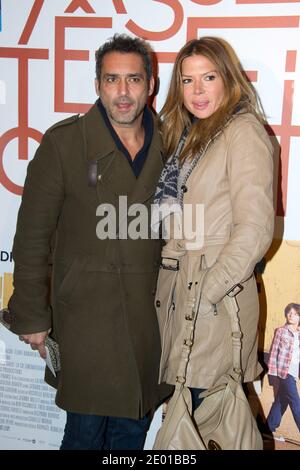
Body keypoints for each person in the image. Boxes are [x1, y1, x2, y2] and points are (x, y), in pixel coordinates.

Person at [8, 33, 171, 450]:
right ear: (97, 84)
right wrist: (31, 316)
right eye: (112, 79)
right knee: (83, 436)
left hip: (149, 324)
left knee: (131, 434)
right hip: (85, 325)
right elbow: (31, 238)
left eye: (133, 79)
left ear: (150, 84)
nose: (122, 92)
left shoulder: (171, 144)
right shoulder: (65, 144)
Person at [153, 36, 274, 414]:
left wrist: (208, 293)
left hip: (214, 301)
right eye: (187, 81)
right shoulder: (186, 136)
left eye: (208, 77)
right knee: (189, 415)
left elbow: (254, 229)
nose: (197, 91)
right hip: (183, 292)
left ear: (228, 78)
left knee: (207, 416)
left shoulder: (242, 132)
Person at [266, 303, 300, 438]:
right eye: (289, 313)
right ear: (286, 315)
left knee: (281, 400)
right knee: (295, 402)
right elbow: (273, 353)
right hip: (284, 372)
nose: (292, 316)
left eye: (296, 314)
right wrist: (272, 374)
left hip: (294, 372)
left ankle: (269, 427)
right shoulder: (280, 331)